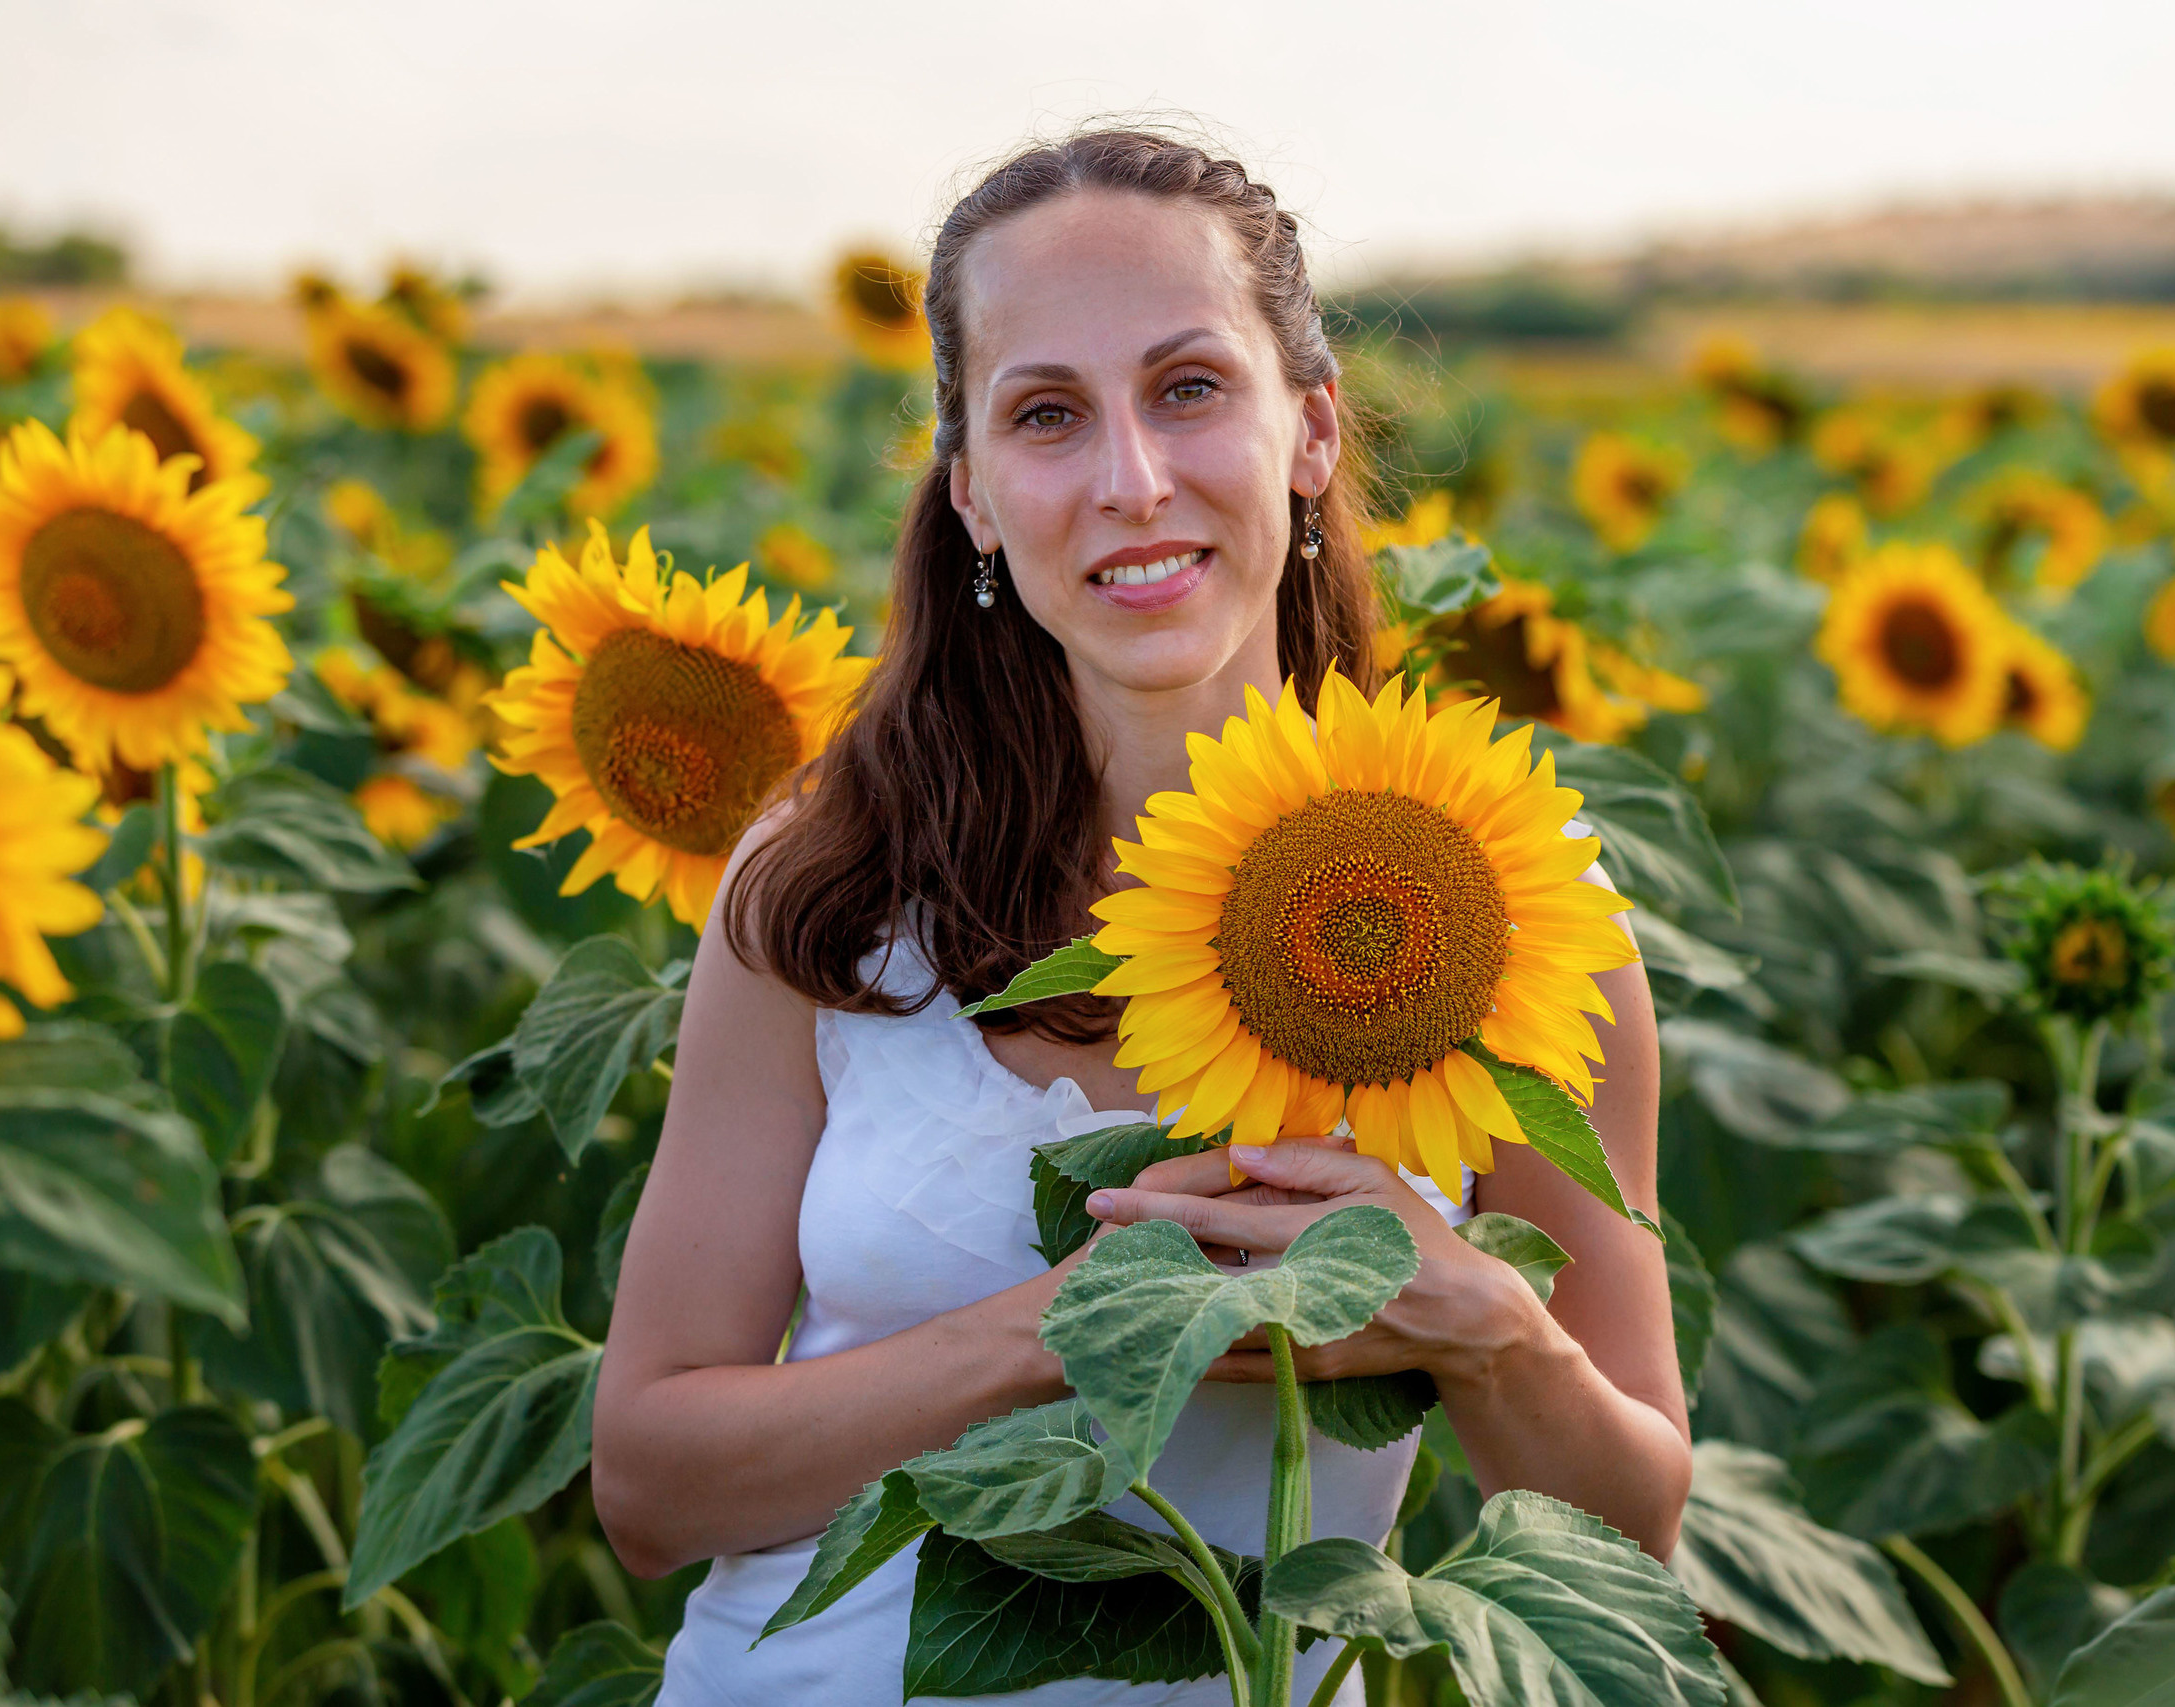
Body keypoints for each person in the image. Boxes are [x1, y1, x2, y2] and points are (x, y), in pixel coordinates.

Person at [593, 126, 1691, 1704]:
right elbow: (647, 1486)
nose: (1129, 481)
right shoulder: (830, 891)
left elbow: (1627, 1531)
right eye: (1048, 416)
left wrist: (1485, 1331)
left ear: (1309, 431)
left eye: (1189, 388)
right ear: (972, 493)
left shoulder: (1511, 913)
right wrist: (1067, 1330)